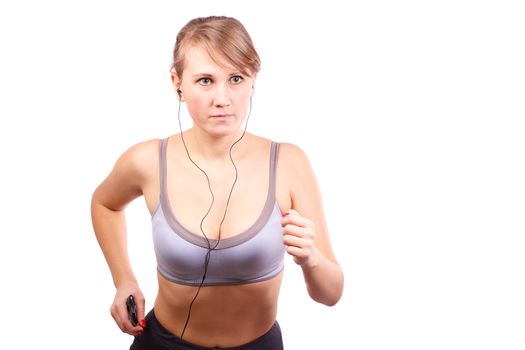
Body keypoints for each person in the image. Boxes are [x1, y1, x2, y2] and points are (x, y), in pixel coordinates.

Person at [91, 15, 344, 349]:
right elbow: (105, 203)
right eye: (206, 80)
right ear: (177, 84)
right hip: (160, 342)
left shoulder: (288, 163)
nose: (223, 98)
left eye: (236, 78)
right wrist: (124, 280)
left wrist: (311, 258)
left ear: (254, 81)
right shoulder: (147, 160)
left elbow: (331, 294)